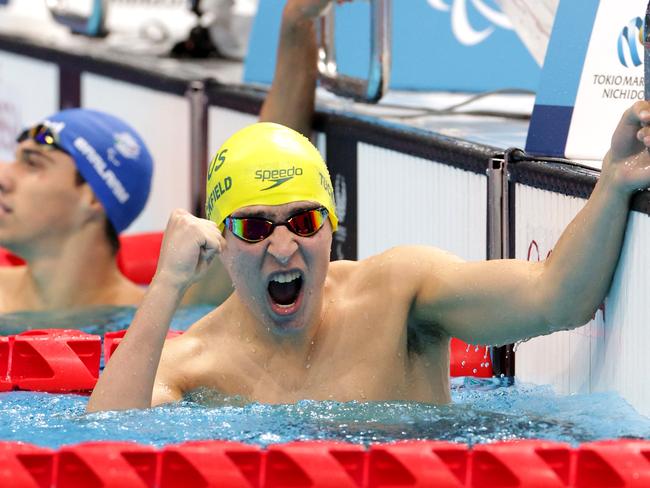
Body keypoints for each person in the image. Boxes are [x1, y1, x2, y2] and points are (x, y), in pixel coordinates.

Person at [86, 99, 650, 412]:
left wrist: (615, 180)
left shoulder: (400, 295)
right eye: (255, 227)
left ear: (333, 226)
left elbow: (558, 298)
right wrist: (166, 285)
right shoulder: (197, 365)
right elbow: (107, 445)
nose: (283, 246)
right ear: (223, 241)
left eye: (304, 221)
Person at [0, 0, 333, 314]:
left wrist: (295, 22)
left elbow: (271, 157)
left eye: (32, 163)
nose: (3, 176)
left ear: (92, 196)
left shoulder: (158, 315)